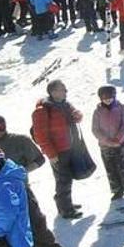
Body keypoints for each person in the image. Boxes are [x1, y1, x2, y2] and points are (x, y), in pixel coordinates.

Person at [0, 115, 66, 247]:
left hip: (20, 192)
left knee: (35, 227)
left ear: (0, 129)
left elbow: (39, 160)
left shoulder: (19, 141)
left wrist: (17, 173)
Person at [30, 80, 85, 219]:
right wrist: (51, 154)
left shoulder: (64, 104)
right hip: (58, 151)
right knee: (63, 179)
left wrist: (77, 115)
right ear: (53, 92)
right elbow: (40, 135)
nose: (66, 92)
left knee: (66, 178)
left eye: (65, 89)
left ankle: (65, 203)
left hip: (69, 147)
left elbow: (74, 114)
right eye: (62, 89)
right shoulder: (42, 110)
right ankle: (66, 210)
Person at [91, 86, 124, 200]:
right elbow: (95, 129)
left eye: (110, 98)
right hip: (105, 145)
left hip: (119, 143)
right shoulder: (97, 112)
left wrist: (118, 138)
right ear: (100, 98)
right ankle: (117, 190)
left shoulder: (121, 108)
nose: (108, 100)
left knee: (123, 166)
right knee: (110, 168)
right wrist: (106, 140)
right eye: (105, 98)